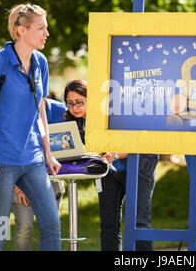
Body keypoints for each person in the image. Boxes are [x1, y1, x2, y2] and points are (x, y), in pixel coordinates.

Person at [0, 3, 61, 251]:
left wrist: (48, 152)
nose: (47, 33)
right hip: (0, 160)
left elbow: (40, 110)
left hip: (33, 160)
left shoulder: (40, 62)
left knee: (52, 224)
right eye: (41, 28)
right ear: (21, 30)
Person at [63, 79, 159, 251]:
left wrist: (114, 154)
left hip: (138, 165)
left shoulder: (111, 113)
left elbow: (140, 142)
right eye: (70, 103)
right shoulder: (75, 124)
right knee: (108, 223)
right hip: (107, 172)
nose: (75, 107)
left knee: (139, 222)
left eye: (79, 102)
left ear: (91, 99)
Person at [11, 97, 67, 251]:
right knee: (24, 228)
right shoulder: (13, 111)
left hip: (51, 179)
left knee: (50, 228)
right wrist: (16, 185)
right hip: (21, 179)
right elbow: (6, 150)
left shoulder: (61, 111)